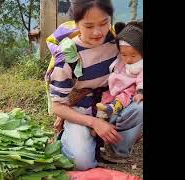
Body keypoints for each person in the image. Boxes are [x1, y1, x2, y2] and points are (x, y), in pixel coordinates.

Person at [46, 0, 143, 170]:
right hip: (81, 109)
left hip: (112, 103)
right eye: (89, 26)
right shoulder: (67, 55)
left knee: (140, 106)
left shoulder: (117, 41)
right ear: (76, 24)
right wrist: (94, 123)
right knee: (81, 162)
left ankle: (116, 149)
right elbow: (58, 107)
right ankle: (74, 137)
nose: (98, 32)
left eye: (104, 23)